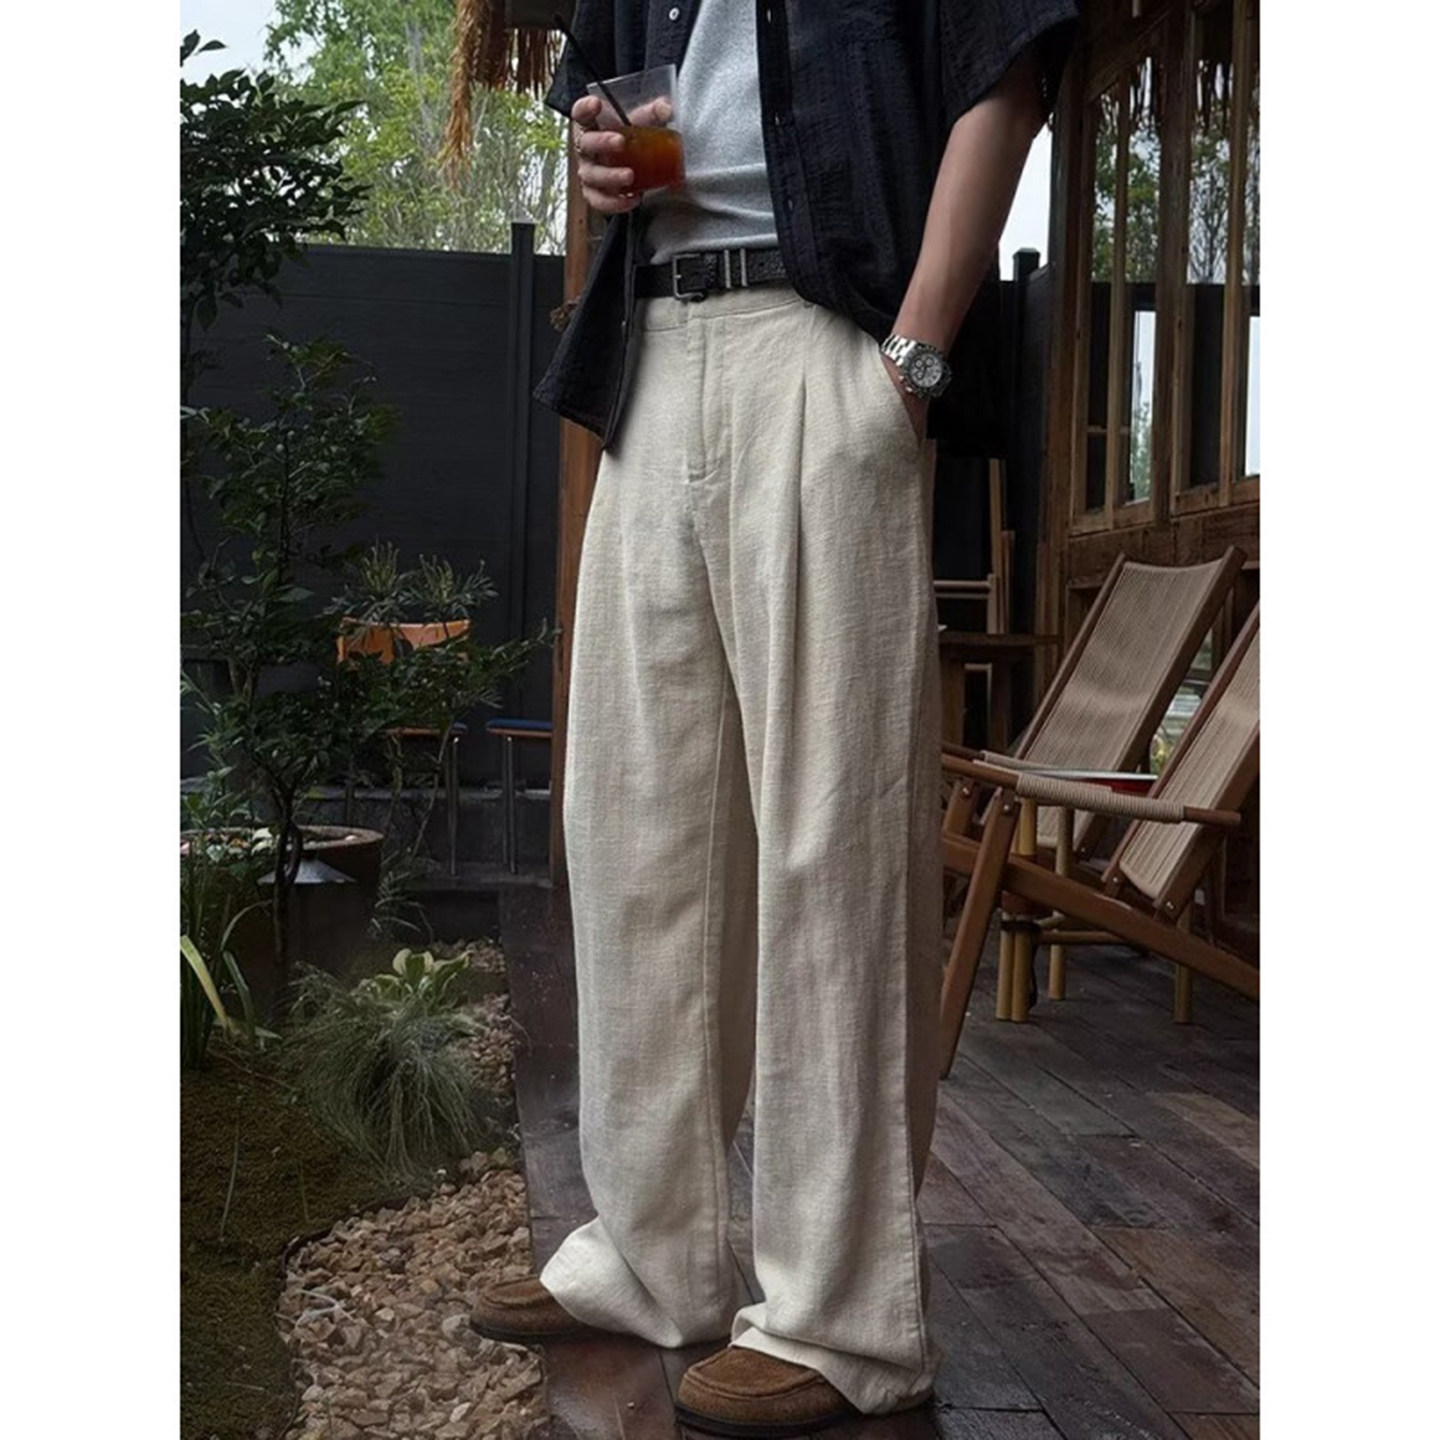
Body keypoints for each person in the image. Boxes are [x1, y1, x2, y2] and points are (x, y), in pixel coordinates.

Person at [471, 2, 1078, 1434]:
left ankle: (839, 1314)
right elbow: (605, 111)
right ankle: (651, 1253)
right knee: (634, 832)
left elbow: (1004, 75)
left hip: (826, 350)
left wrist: (912, 366)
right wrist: (600, 156)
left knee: (832, 837)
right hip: (651, 357)